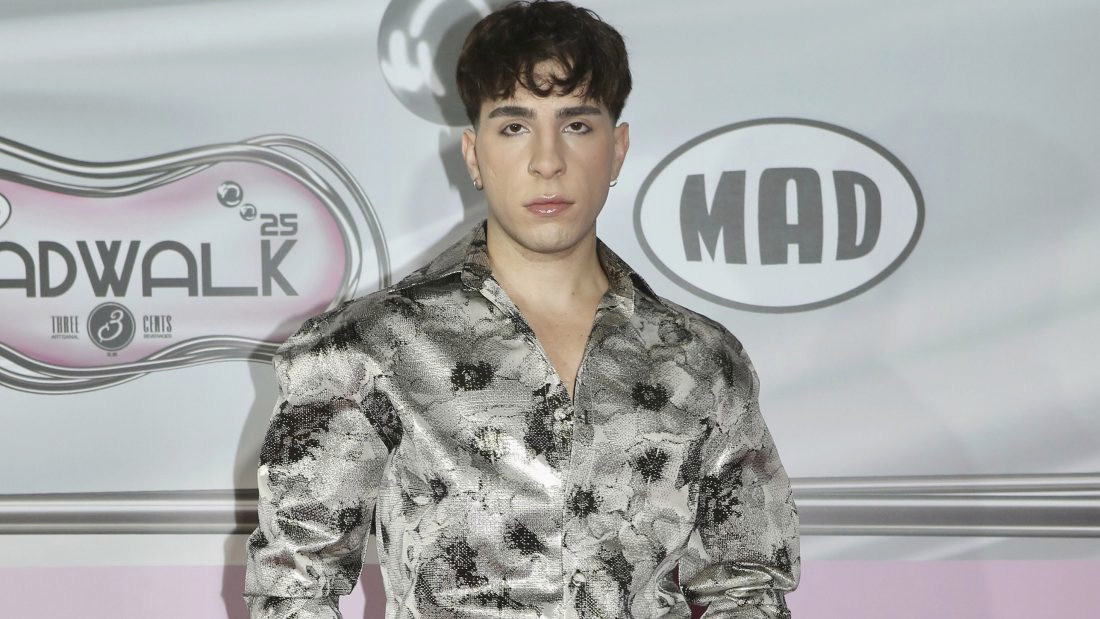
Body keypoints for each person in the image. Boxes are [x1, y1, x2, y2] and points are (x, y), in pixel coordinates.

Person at [243, 1, 799, 617]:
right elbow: (292, 588)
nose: (547, 160)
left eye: (576, 124)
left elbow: (747, 589)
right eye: (514, 126)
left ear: (617, 149)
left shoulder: (702, 361)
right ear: (473, 154)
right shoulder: (369, 348)